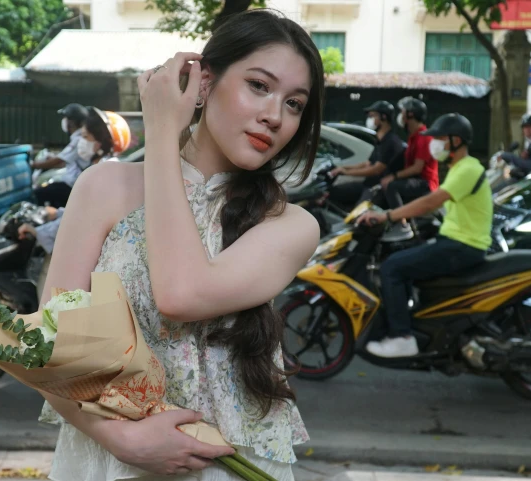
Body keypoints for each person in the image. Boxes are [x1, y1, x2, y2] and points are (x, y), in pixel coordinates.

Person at [37, 9, 323, 480]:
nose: (274, 115)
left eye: (294, 104)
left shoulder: (290, 225)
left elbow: (180, 293)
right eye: (259, 85)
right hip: (108, 460)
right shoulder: (103, 188)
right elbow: (51, 346)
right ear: (203, 83)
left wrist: (164, 134)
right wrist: (123, 440)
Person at [356, 113, 492, 358]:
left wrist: (388, 216)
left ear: (457, 140)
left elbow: (430, 202)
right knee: (403, 256)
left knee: (392, 268)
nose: (434, 143)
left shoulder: (468, 169)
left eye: (440, 138)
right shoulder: (459, 168)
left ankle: (402, 337)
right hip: (455, 241)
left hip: (462, 246)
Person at [34, 107, 131, 207]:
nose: (81, 141)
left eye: (85, 137)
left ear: (101, 142)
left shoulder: (106, 173)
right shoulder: (98, 167)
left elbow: (91, 214)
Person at [379, 96, 439, 241]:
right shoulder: (414, 137)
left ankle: (402, 225)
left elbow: (417, 168)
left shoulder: (424, 137)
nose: (401, 115)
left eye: (403, 112)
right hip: (416, 181)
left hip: (426, 184)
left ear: (410, 115)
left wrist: (393, 177)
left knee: (392, 186)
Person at [327, 101, 405, 207]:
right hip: (368, 185)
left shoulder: (391, 141)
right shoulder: (380, 141)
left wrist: (345, 172)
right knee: (332, 193)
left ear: (383, 117)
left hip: (378, 188)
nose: (370, 119)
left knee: (359, 216)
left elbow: (376, 170)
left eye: (373, 116)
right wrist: (341, 168)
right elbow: (367, 164)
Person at [31, 103, 90, 174]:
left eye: (66, 118)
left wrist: (33, 165)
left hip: (73, 181)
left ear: (72, 122)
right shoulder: (79, 137)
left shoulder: (78, 140)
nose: (63, 121)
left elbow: (59, 160)